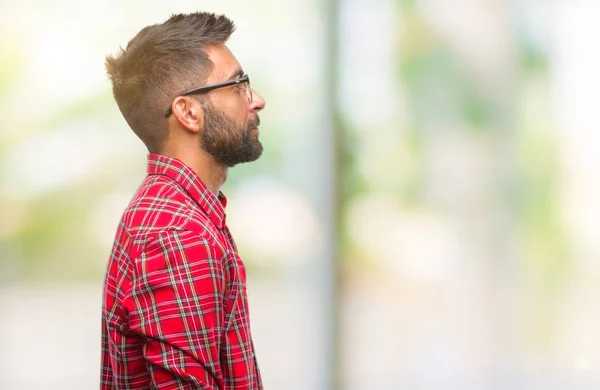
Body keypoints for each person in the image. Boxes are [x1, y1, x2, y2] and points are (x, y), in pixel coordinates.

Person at [100, 12, 265, 389]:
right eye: (238, 85)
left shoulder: (172, 211)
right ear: (188, 112)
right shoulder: (178, 233)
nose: (257, 101)